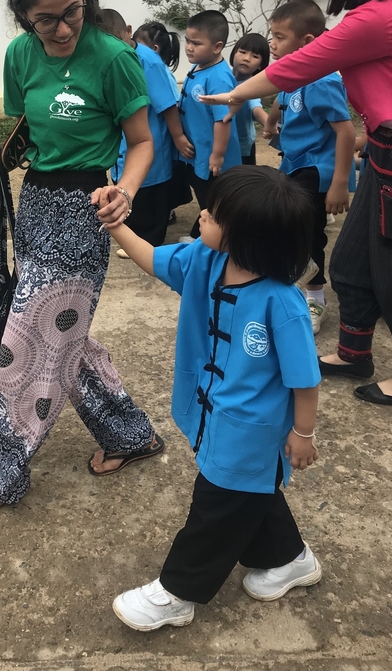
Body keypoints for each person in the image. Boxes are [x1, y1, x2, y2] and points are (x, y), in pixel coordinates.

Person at [0, 0, 161, 518]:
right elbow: (23, 143)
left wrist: (125, 192)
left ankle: (3, 472)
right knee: (65, 338)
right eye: (45, 20)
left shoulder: (115, 58)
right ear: (23, 18)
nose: (62, 29)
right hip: (35, 208)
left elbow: (141, 142)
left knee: (25, 343)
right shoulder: (19, 56)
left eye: (72, 12)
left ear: (85, 0)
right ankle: (129, 434)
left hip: (87, 212)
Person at [104, 166, 321, 632]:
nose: (201, 214)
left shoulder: (282, 302)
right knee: (248, 492)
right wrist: (116, 225)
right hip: (211, 410)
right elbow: (153, 258)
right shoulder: (204, 259)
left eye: (215, 214)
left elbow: (305, 380)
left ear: (248, 237)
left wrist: (302, 433)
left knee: (216, 506)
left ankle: (177, 593)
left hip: (251, 429)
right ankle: (290, 557)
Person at [200, 0, 392, 405]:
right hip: (383, 150)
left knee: (391, 265)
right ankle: (354, 351)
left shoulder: (377, 18)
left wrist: (234, 93)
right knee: (351, 260)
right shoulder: (377, 13)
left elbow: (298, 66)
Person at [263, 0, 356, 336]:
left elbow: (346, 132)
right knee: (288, 224)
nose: (272, 44)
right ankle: (292, 281)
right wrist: (271, 124)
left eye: (280, 37)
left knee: (308, 232)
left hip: (317, 169)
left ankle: (315, 297)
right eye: (272, 35)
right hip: (294, 162)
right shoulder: (293, 74)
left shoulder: (322, 81)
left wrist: (339, 183)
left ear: (306, 42)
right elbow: (280, 100)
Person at [102, 8, 194, 253]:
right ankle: (135, 232)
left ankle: (148, 241)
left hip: (149, 137)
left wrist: (178, 137)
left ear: (128, 32)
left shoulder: (148, 61)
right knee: (127, 183)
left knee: (149, 188)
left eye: (115, 40)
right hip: (124, 139)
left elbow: (167, 104)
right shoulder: (109, 59)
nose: (112, 47)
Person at [176, 11, 241, 242]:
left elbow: (223, 119)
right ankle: (203, 236)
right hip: (200, 153)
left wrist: (218, 154)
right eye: (187, 40)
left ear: (217, 46)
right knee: (205, 196)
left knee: (214, 199)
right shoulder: (199, 67)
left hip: (214, 159)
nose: (188, 47)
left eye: (196, 43)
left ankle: (207, 240)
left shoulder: (219, 78)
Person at [229, 32, 270, 165]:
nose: (247, 58)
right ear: (234, 53)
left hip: (242, 147)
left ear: (260, 65)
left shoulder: (252, 86)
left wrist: (269, 123)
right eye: (243, 52)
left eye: (255, 56)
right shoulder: (222, 77)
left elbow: (256, 108)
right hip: (219, 141)